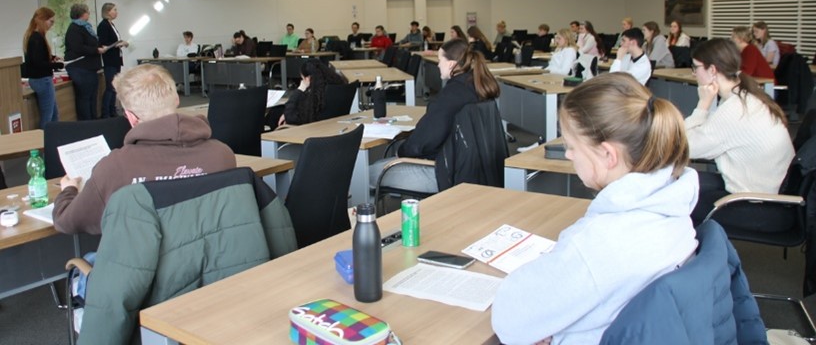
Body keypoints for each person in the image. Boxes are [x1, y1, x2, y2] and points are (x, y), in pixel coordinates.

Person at [492, 73, 698, 345]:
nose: (568, 155)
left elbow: (509, 320)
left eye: (571, 146)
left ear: (608, 155)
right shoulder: (674, 205)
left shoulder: (598, 244)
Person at [52, 64, 237, 235]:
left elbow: (66, 222)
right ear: (177, 98)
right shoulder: (222, 155)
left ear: (131, 117)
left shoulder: (115, 167)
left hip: (146, 269)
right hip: (215, 264)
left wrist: (68, 191)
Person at [369, 38, 500, 193]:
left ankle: (367, 215)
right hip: (475, 170)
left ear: (451, 64)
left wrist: (401, 153)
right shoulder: (476, 86)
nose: (437, 65)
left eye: (440, 60)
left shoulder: (453, 94)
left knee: (370, 173)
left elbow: (423, 142)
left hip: (446, 173)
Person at [685, 38, 793, 224]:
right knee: (684, 181)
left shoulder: (735, 109)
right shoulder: (744, 96)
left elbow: (686, 146)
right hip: (768, 189)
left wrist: (702, 105)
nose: (694, 73)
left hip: (760, 203)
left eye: (696, 67)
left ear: (712, 70)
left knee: (678, 197)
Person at [23, 7, 64, 129]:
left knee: (54, 114)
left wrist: (52, 57)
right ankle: (45, 143)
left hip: (40, 79)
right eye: (50, 21)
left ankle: (54, 139)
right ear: (41, 20)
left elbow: (38, 57)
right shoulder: (36, 38)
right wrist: (58, 65)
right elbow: (38, 63)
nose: (51, 25)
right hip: (42, 80)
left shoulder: (34, 36)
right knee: (48, 117)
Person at [277, 58, 346, 127]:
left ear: (308, 79)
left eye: (302, 79)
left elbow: (290, 117)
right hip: (333, 126)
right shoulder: (334, 88)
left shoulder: (315, 98)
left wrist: (299, 90)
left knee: (275, 113)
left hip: (312, 129)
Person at [64, 3, 104, 121]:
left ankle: (93, 120)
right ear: (82, 14)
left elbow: (91, 43)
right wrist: (96, 50)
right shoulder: (74, 29)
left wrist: (100, 47)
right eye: (87, 11)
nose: (89, 14)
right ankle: (86, 123)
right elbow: (78, 47)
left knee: (92, 96)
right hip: (80, 68)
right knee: (84, 97)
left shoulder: (86, 27)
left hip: (90, 68)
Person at [97, 2, 128, 118]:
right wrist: (117, 44)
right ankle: (106, 112)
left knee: (114, 86)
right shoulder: (103, 25)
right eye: (114, 10)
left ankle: (112, 109)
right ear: (107, 12)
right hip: (109, 60)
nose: (116, 12)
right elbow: (104, 43)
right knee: (110, 87)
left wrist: (121, 43)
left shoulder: (111, 25)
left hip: (116, 59)